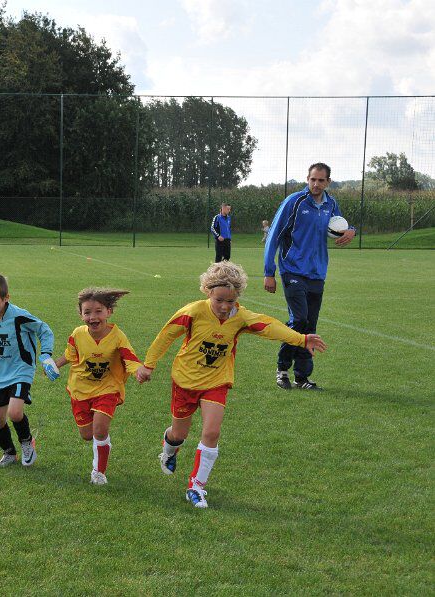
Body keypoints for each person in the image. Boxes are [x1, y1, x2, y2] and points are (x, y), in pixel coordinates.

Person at [136, 262, 327, 508]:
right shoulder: (193, 312)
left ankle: (196, 487)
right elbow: (166, 335)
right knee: (178, 434)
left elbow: (269, 326)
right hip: (185, 381)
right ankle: (169, 450)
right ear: (208, 292)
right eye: (219, 300)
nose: (225, 307)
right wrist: (149, 365)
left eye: (231, 301)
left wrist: (301, 339)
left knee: (212, 433)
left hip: (217, 381)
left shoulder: (240, 317)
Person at [263, 162, 354, 391]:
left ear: (328, 182)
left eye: (321, 180)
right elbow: (274, 235)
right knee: (299, 319)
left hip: (317, 272)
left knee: (310, 325)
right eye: (313, 179)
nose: (316, 184)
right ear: (307, 179)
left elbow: (341, 224)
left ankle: (302, 377)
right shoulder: (294, 202)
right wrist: (268, 272)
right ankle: (282, 369)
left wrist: (351, 230)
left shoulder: (331, 204)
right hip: (292, 269)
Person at [52, 288, 142, 485]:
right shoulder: (77, 334)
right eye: (87, 312)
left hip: (108, 388)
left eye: (98, 311)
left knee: (100, 430)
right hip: (80, 389)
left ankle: (98, 472)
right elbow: (70, 354)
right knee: (87, 435)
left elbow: (130, 357)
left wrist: (138, 371)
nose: (93, 317)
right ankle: (100, 450)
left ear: (109, 312)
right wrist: (55, 364)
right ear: (81, 315)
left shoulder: (118, 336)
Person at [0, 273, 58, 467]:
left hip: (21, 370)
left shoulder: (19, 316)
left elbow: (44, 330)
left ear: (6, 298)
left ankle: (27, 442)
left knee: (15, 412)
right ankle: (9, 452)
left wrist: (46, 355)